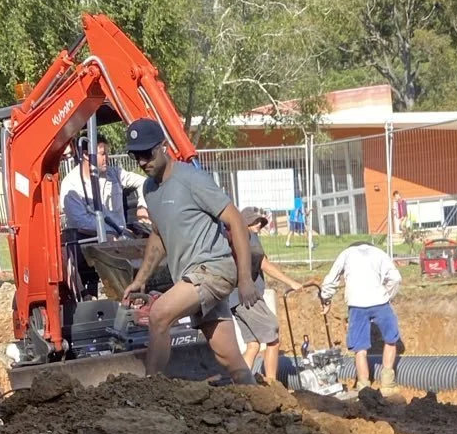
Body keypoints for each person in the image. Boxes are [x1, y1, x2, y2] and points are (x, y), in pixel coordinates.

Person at [119, 117, 255, 383]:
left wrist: (245, 278)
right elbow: (158, 235)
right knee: (228, 356)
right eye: (136, 157)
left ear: (163, 147)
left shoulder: (191, 179)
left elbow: (236, 220)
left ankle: (149, 388)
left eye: (147, 154)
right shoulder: (149, 189)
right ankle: (261, 401)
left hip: (212, 270)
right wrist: (140, 279)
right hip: (190, 277)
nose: (142, 162)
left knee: (159, 315)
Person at [233, 206, 309, 383]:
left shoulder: (239, 238)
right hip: (248, 296)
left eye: (260, 222)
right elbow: (264, 264)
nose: (259, 225)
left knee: (253, 345)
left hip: (234, 299)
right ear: (245, 222)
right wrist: (291, 282)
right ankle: (272, 383)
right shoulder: (248, 236)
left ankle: (241, 385)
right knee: (273, 336)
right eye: (255, 221)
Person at [318, 240, 402, 394]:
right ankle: (388, 384)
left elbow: (331, 279)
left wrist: (326, 299)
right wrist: (387, 295)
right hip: (380, 302)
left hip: (356, 305)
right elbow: (395, 278)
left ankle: (364, 386)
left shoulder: (346, 254)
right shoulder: (379, 253)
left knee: (360, 348)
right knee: (391, 340)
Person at [60, 133, 147, 239]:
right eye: (102, 154)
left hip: (122, 238)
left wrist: (142, 206)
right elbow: (80, 221)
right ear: (86, 155)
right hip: (90, 242)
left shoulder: (115, 174)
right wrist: (114, 231)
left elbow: (144, 182)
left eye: (107, 153)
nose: (107, 158)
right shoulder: (71, 184)